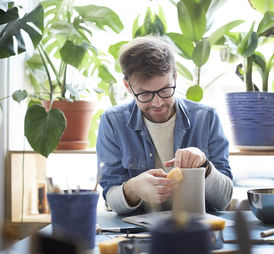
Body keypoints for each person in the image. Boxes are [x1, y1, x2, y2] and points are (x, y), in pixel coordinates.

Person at [96, 35, 233, 215]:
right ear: (128, 86)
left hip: (196, 229)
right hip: (140, 232)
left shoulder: (206, 118)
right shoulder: (113, 122)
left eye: (165, 90)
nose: (158, 103)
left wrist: (204, 165)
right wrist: (132, 188)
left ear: (175, 77)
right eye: (145, 94)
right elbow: (110, 197)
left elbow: (224, 200)